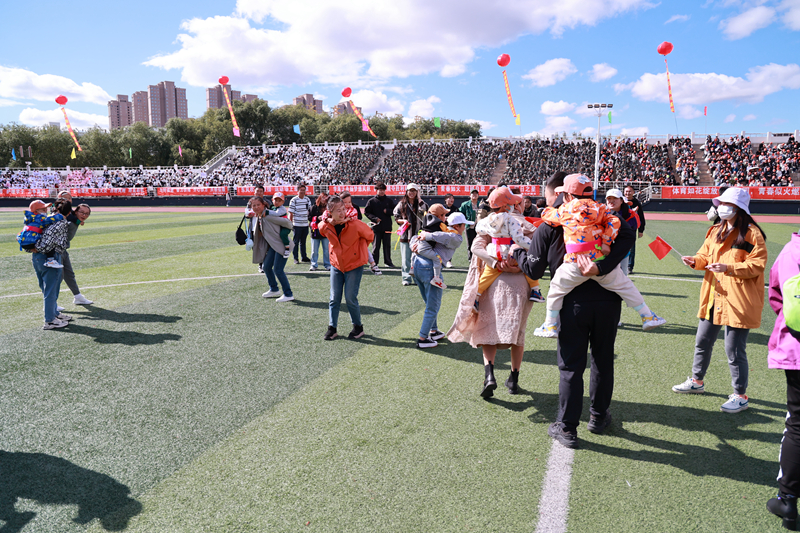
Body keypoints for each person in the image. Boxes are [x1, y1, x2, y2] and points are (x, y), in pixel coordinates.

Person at [513, 171, 635, 449]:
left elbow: (533, 269)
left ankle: (567, 427)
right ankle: (598, 416)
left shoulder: (551, 222)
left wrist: (516, 252)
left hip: (572, 303)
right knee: (602, 359)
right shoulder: (603, 214)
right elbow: (628, 234)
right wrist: (602, 266)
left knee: (571, 366)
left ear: (563, 195)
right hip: (607, 300)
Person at [672, 187, 767, 413]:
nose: (721, 207)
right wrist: (695, 261)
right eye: (721, 203)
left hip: (739, 299)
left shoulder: (752, 234)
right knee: (702, 341)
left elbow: (757, 265)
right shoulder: (716, 230)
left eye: (727, 204)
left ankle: (740, 395)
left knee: (734, 350)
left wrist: (728, 268)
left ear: (739, 209)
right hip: (714, 294)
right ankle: (697, 381)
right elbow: (704, 255)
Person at [534, 175, 665, 338]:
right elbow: (615, 222)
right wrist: (606, 241)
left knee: (556, 289)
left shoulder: (565, 209)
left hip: (574, 262)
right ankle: (647, 316)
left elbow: (547, 216)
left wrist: (547, 209)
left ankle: (550, 324)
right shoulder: (601, 208)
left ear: (568, 195)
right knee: (625, 286)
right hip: (599, 259)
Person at [448, 208, 536, 398]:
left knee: (487, 328)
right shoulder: (525, 224)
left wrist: (494, 263)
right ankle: (514, 380)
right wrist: (519, 264)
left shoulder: (488, 223)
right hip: (521, 282)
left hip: (492, 280)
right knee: (518, 331)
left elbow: (476, 248)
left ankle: (489, 375)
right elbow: (537, 252)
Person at [766, 231, 800, 530]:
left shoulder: (792, 250)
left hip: (798, 346)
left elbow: (777, 297)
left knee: (798, 425)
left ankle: (788, 500)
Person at [473, 187, 543, 313]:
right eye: (511, 203)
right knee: (527, 267)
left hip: (494, 253)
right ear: (505, 206)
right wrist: (533, 245)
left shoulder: (487, 219)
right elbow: (519, 239)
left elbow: (479, 229)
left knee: (487, 275)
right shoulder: (511, 220)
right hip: (510, 253)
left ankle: (476, 297)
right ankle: (535, 290)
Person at [319, 196, 374, 341]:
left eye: (343, 209)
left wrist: (359, 251)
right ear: (330, 212)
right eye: (338, 210)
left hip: (354, 265)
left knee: (350, 298)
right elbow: (319, 227)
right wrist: (326, 219)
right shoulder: (326, 225)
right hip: (336, 265)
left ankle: (358, 327)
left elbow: (370, 235)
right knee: (334, 298)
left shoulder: (355, 224)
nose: (342, 213)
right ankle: (332, 328)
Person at [412, 212, 468, 348]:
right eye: (463, 225)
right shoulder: (456, 237)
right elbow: (446, 236)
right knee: (433, 306)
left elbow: (415, 237)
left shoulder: (442, 231)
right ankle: (423, 339)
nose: (465, 228)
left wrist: (417, 242)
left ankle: (434, 330)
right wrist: (426, 237)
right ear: (457, 226)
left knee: (429, 302)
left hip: (418, 266)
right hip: (429, 269)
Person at [32, 198, 75, 330]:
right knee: (51, 290)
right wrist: (41, 249)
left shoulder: (42, 220)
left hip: (37, 257)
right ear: (68, 213)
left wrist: (33, 249)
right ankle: (50, 320)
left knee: (46, 289)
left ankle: (54, 313)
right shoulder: (60, 222)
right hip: (49, 257)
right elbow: (48, 240)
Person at [250, 196, 295, 302]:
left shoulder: (268, 215)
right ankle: (274, 289)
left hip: (282, 245)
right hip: (273, 246)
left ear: (263, 205)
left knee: (278, 270)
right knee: (266, 267)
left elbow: (288, 223)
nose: (256, 207)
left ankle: (288, 294)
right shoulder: (260, 216)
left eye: (258, 205)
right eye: (254, 205)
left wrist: (286, 231)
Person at [411, 204, 454, 290]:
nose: (445, 217)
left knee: (414, 253)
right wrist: (454, 231)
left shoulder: (426, 220)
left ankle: (412, 268)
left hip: (420, 243)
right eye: (444, 215)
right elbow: (448, 233)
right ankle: (436, 278)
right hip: (425, 248)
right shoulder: (440, 224)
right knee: (437, 259)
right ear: (439, 216)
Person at [393, 183, 428, 286]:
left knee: (418, 259)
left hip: (418, 236)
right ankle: (406, 278)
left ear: (417, 192)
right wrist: (403, 221)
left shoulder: (422, 203)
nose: (411, 193)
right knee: (406, 259)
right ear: (406, 192)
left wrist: (420, 199)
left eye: (414, 191)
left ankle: (417, 279)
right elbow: (396, 217)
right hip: (405, 235)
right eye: (410, 191)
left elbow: (425, 213)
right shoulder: (401, 204)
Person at [61, 203, 94, 306]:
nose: (84, 215)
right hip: (55, 251)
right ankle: (51, 304)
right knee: (56, 277)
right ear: (75, 212)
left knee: (69, 274)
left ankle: (78, 297)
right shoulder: (69, 221)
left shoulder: (74, 221)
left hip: (63, 251)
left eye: (87, 214)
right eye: (82, 212)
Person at [17, 200, 64, 268]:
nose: (46, 211)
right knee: (50, 240)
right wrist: (60, 215)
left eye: (46, 209)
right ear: (36, 211)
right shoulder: (40, 219)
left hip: (23, 241)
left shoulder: (31, 218)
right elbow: (51, 219)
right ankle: (50, 260)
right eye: (43, 210)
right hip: (31, 241)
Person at [364, 182, 396, 268]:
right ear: (376, 190)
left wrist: (388, 211)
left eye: (383, 190)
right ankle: (375, 262)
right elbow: (367, 212)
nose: (381, 191)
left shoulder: (389, 201)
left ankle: (388, 262)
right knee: (376, 246)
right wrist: (374, 218)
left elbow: (395, 210)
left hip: (387, 226)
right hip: (376, 227)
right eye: (380, 190)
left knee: (387, 246)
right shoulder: (372, 201)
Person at [623, 185, 645, 274]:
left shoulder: (637, 203)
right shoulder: (620, 201)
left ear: (633, 192)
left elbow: (641, 217)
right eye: (626, 191)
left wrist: (641, 230)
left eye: (629, 191)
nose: (628, 193)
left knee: (631, 249)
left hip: (631, 229)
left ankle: (629, 266)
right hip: (620, 228)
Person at [288, 183, 312, 264]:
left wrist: (310, 222)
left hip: (305, 224)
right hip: (297, 225)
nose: (302, 191)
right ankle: (296, 258)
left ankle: (304, 257)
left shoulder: (307, 200)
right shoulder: (294, 200)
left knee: (303, 242)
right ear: (297, 191)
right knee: (295, 242)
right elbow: (291, 213)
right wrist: (290, 223)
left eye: (304, 190)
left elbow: (309, 212)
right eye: (301, 190)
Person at [309, 193, 331, 271]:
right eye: (323, 198)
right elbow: (309, 217)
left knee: (326, 250)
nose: (324, 199)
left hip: (325, 231)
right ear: (319, 198)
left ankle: (327, 264)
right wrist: (317, 218)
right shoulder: (314, 207)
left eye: (326, 198)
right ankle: (313, 264)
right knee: (314, 250)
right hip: (315, 231)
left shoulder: (329, 208)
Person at [267, 192, 292, 258]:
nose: (277, 202)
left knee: (283, 234)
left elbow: (276, 214)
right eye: (276, 200)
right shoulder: (272, 207)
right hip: (278, 225)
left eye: (279, 201)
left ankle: (287, 248)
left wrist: (267, 212)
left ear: (283, 202)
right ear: (272, 200)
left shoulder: (282, 208)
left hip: (285, 226)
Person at [458, 189, 480, 261]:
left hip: (479, 227)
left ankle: (478, 258)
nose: (474, 195)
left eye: (476, 193)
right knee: (470, 243)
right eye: (473, 193)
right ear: (470, 196)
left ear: (478, 195)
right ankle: (471, 259)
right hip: (469, 227)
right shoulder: (465, 204)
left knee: (478, 243)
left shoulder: (480, 204)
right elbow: (460, 213)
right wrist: (464, 222)